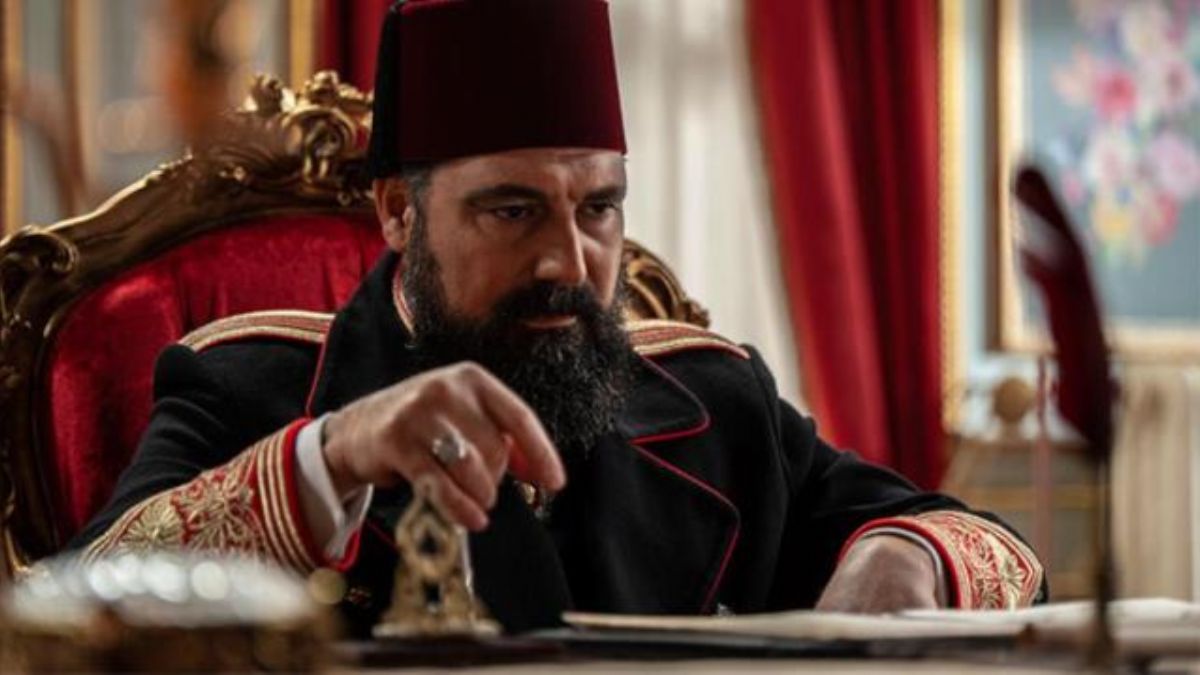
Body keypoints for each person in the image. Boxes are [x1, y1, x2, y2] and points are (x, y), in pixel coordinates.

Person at [70, 0, 1044, 636]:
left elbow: (993, 549)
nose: (568, 264)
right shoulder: (244, 384)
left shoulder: (716, 400)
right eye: (513, 211)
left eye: (598, 209)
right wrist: (336, 456)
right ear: (399, 214)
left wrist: (904, 555)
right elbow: (80, 607)